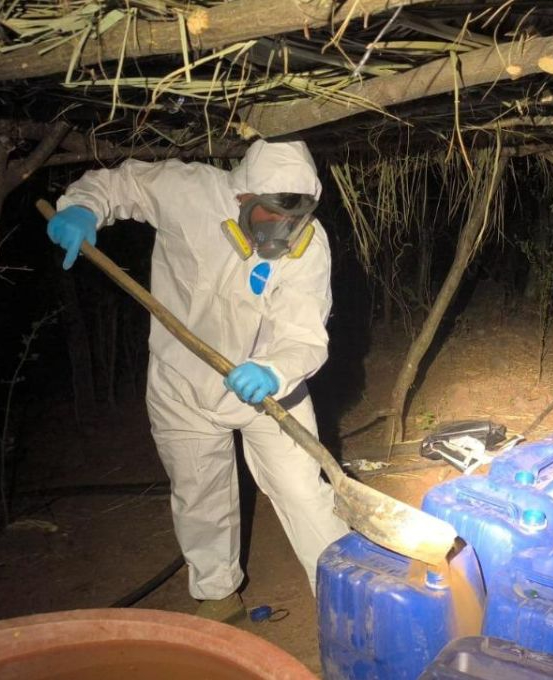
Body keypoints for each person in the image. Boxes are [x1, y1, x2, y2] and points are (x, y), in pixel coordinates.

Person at [46, 140, 349, 623]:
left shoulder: (309, 248)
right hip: (181, 384)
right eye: (271, 218)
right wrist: (84, 207)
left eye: (295, 220)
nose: (283, 234)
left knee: (302, 490)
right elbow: (121, 183)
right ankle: (218, 595)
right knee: (199, 491)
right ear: (241, 198)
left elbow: (304, 333)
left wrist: (274, 368)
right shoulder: (187, 190)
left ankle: (344, 595)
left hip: (269, 387)